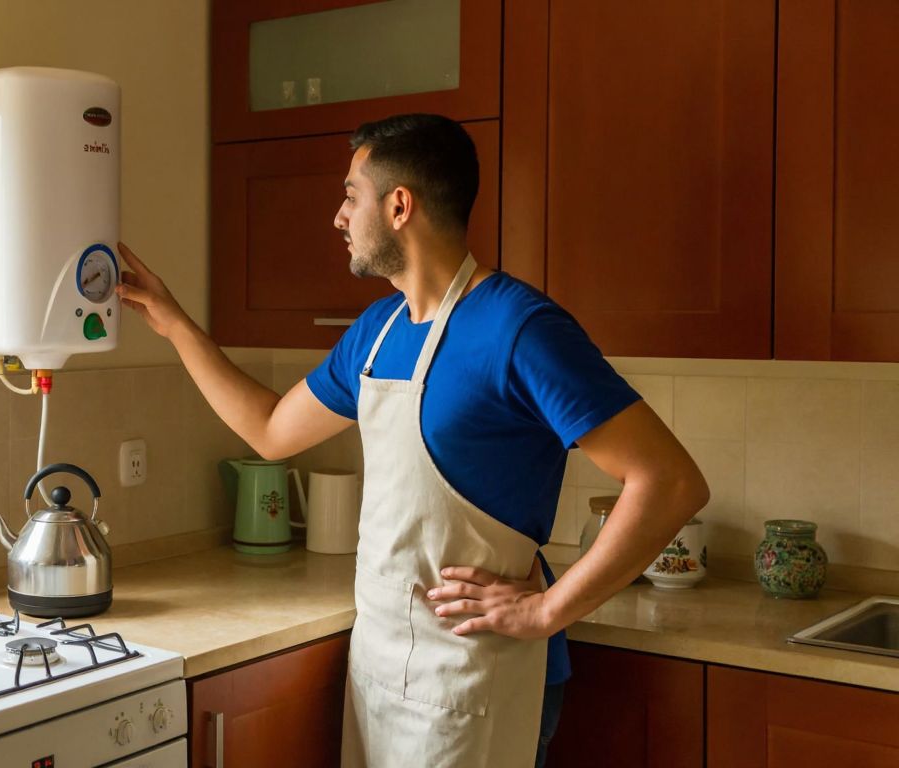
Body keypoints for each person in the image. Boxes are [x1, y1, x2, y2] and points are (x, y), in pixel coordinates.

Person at [115, 113, 709, 768]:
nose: (338, 217)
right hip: (380, 669)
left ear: (399, 205)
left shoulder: (519, 329)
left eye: (350, 195)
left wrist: (548, 610)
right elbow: (271, 430)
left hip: (474, 676)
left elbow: (670, 481)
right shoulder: (377, 330)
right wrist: (174, 325)